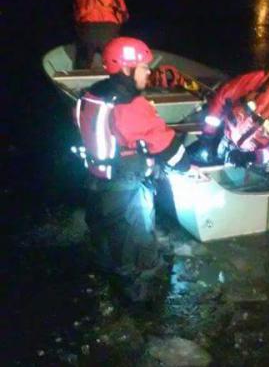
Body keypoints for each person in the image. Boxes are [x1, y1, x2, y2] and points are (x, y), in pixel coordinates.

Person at [74, 36, 201, 302]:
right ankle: (142, 308)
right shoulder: (131, 105)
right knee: (138, 252)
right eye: (143, 67)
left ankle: (104, 285)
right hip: (126, 189)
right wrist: (187, 166)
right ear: (126, 69)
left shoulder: (92, 95)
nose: (148, 72)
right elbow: (165, 144)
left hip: (98, 183)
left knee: (106, 239)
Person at [73, 0, 129, 68]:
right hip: (110, 27)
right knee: (111, 56)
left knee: (84, 55)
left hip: (88, 28)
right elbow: (122, 7)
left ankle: (81, 73)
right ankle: (113, 74)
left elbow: (77, 15)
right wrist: (121, 20)